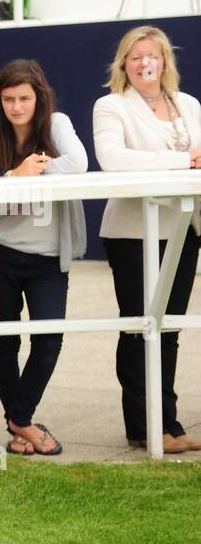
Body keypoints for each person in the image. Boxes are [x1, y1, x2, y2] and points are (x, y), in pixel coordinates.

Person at [93, 25, 201, 452]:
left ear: (165, 62)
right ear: (123, 63)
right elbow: (114, 160)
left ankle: (168, 423)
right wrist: (182, 161)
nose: (144, 63)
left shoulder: (188, 104)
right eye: (135, 56)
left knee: (169, 329)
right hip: (133, 234)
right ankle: (144, 427)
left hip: (183, 229)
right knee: (140, 327)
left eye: (152, 56)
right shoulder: (111, 106)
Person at [0, 59, 88, 457]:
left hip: (48, 257)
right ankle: (22, 427)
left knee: (48, 340)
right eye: (8, 99)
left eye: (24, 98)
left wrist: (32, 170)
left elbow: (77, 164)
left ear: (38, 97)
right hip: (2, 253)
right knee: (4, 342)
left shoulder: (56, 124)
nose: (17, 107)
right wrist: (14, 177)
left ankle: (19, 420)